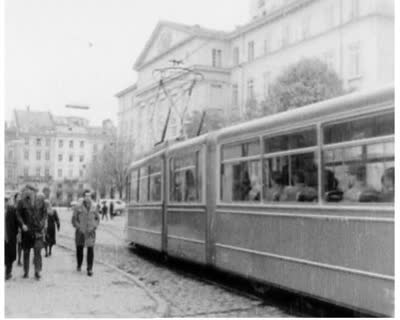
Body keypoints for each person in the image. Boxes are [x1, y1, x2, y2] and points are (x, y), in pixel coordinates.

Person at [16, 186, 47, 280]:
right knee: (26, 252)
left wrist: (42, 223)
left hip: (37, 231)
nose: (29, 192)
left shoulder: (39, 201)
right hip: (27, 232)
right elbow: (18, 214)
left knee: (37, 252)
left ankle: (37, 272)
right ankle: (26, 272)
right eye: (27, 190)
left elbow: (44, 214)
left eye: (31, 190)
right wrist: (22, 224)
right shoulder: (21, 202)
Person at [72, 190, 100, 276]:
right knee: (79, 249)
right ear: (84, 197)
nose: (88, 198)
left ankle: (89, 268)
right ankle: (79, 264)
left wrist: (94, 226)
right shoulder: (78, 207)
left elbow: (97, 218)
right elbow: (74, 220)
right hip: (80, 232)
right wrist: (78, 227)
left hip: (90, 232)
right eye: (86, 196)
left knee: (90, 249)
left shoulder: (94, 207)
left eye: (89, 196)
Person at [5, 194, 19, 280]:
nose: (5, 202)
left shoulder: (12, 210)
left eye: (6, 200)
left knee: (10, 256)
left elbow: (16, 223)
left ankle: (8, 272)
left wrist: (15, 233)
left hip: (10, 238)